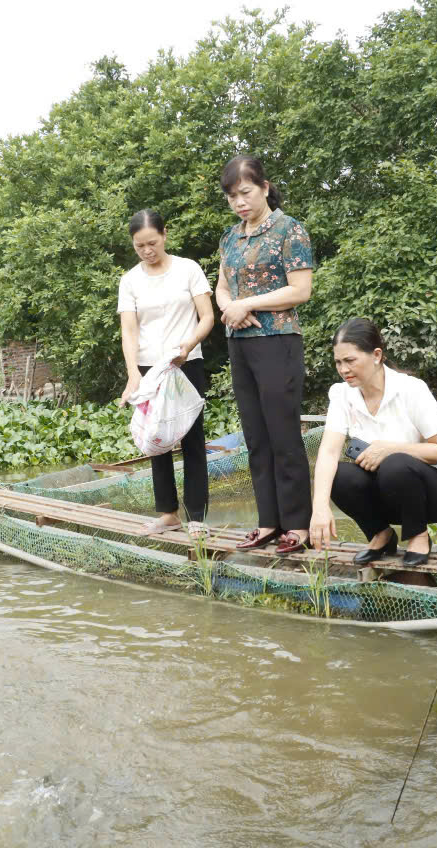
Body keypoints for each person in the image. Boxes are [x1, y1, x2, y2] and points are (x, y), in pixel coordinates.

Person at [214, 155, 316, 555]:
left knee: (284, 436)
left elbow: (300, 290)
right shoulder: (230, 237)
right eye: (231, 196)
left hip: (278, 342)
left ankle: (298, 526)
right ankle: (268, 522)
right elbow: (222, 286)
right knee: (255, 437)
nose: (238, 202)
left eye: (245, 193)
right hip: (239, 342)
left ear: (265, 187)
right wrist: (229, 307)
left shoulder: (290, 230)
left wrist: (248, 304)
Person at [308, 318, 437, 568]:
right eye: (338, 362)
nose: (343, 369)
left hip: (436, 492)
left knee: (396, 463)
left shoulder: (411, 390)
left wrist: (390, 447)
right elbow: (328, 452)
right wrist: (319, 507)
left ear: (376, 355)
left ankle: (418, 535)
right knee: (339, 474)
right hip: (386, 492)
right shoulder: (341, 394)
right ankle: (381, 534)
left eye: (350, 360)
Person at [117, 209, 215, 536]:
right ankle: (168, 514)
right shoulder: (129, 280)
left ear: (165, 235)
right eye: (140, 246)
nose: (147, 251)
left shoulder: (188, 269)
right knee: (155, 440)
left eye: (152, 243)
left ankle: (197, 517)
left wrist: (188, 345)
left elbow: (207, 317)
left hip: (186, 362)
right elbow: (129, 331)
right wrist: (133, 374)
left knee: (192, 438)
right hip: (148, 368)